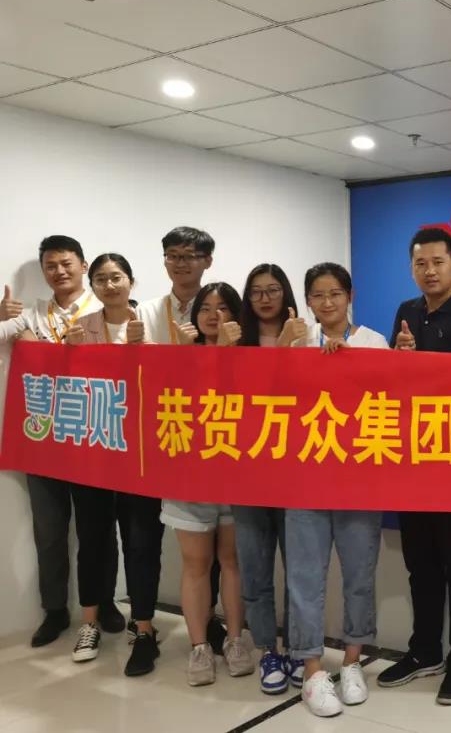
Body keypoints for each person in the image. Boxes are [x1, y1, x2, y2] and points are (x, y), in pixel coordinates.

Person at [378, 227, 451, 706]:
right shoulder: (406, 312)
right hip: (412, 460)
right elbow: (395, 382)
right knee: (420, 564)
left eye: (438, 262)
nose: (429, 271)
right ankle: (425, 650)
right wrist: (401, 359)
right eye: (420, 263)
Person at [0, 236, 125, 650]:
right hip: (44, 439)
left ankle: (105, 602)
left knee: (98, 530)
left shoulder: (104, 311)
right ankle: (54, 610)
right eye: (51, 266)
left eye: (66, 263)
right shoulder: (32, 313)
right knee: (49, 530)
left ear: (83, 266)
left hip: (93, 438)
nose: (59, 271)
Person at [287, 262, 386, 718]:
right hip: (305, 479)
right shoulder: (296, 341)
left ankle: (351, 661)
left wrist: (350, 365)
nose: (327, 303)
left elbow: (388, 401)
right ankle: (311, 669)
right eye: (318, 295)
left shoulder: (374, 342)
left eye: (335, 294)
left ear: (350, 296)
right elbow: (274, 398)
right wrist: (297, 354)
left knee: (359, 575)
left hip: (359, 481)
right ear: (308, 300)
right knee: (305, 578)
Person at [68, 253, 167, 677]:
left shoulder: (152, 324)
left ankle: (143, 627)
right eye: (101, 279)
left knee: (142, 541)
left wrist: (145, 348)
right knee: (92, 538)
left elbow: (171, 380)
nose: (109, 285)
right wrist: (68, 354)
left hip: (141, 455)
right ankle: (89, 623)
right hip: (92, 451)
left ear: (131, 281)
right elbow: (68, 386)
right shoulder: (80, 329)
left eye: (116, 277)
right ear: (92, 285)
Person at [136, 226, 227, 653]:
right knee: (145, 539)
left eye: (189, 255)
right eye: (173, 255)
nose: (180, 263)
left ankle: (209, 623)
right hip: (161, 440)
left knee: (218, 548)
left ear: (207, 261)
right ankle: (145, 628)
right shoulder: (147, 311)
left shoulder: (221, 308)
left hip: (213, 443)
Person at [159, 282, 253, 687]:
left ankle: (235, 640)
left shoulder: (251, 355)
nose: (215, 316)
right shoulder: (180, 354)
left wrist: (230, 353)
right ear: (194, 316)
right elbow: (169, 403)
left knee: (232, 562)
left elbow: (253, 401)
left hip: (236, 479)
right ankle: (199, 647)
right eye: (206, 309)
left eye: (224, 308)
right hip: (190, 479)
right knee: (196, 565)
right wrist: (186, 353)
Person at [235, 264, 303, 695]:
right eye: (257, 291)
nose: (265, 298)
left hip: (294, 472)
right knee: (255, 570)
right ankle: (267, 651)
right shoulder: (235, 340)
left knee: (298, 571)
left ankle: (297, 647)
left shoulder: (305, 336)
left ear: (286, 293)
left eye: (273, 289)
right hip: (247, 474)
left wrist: (291, 345)